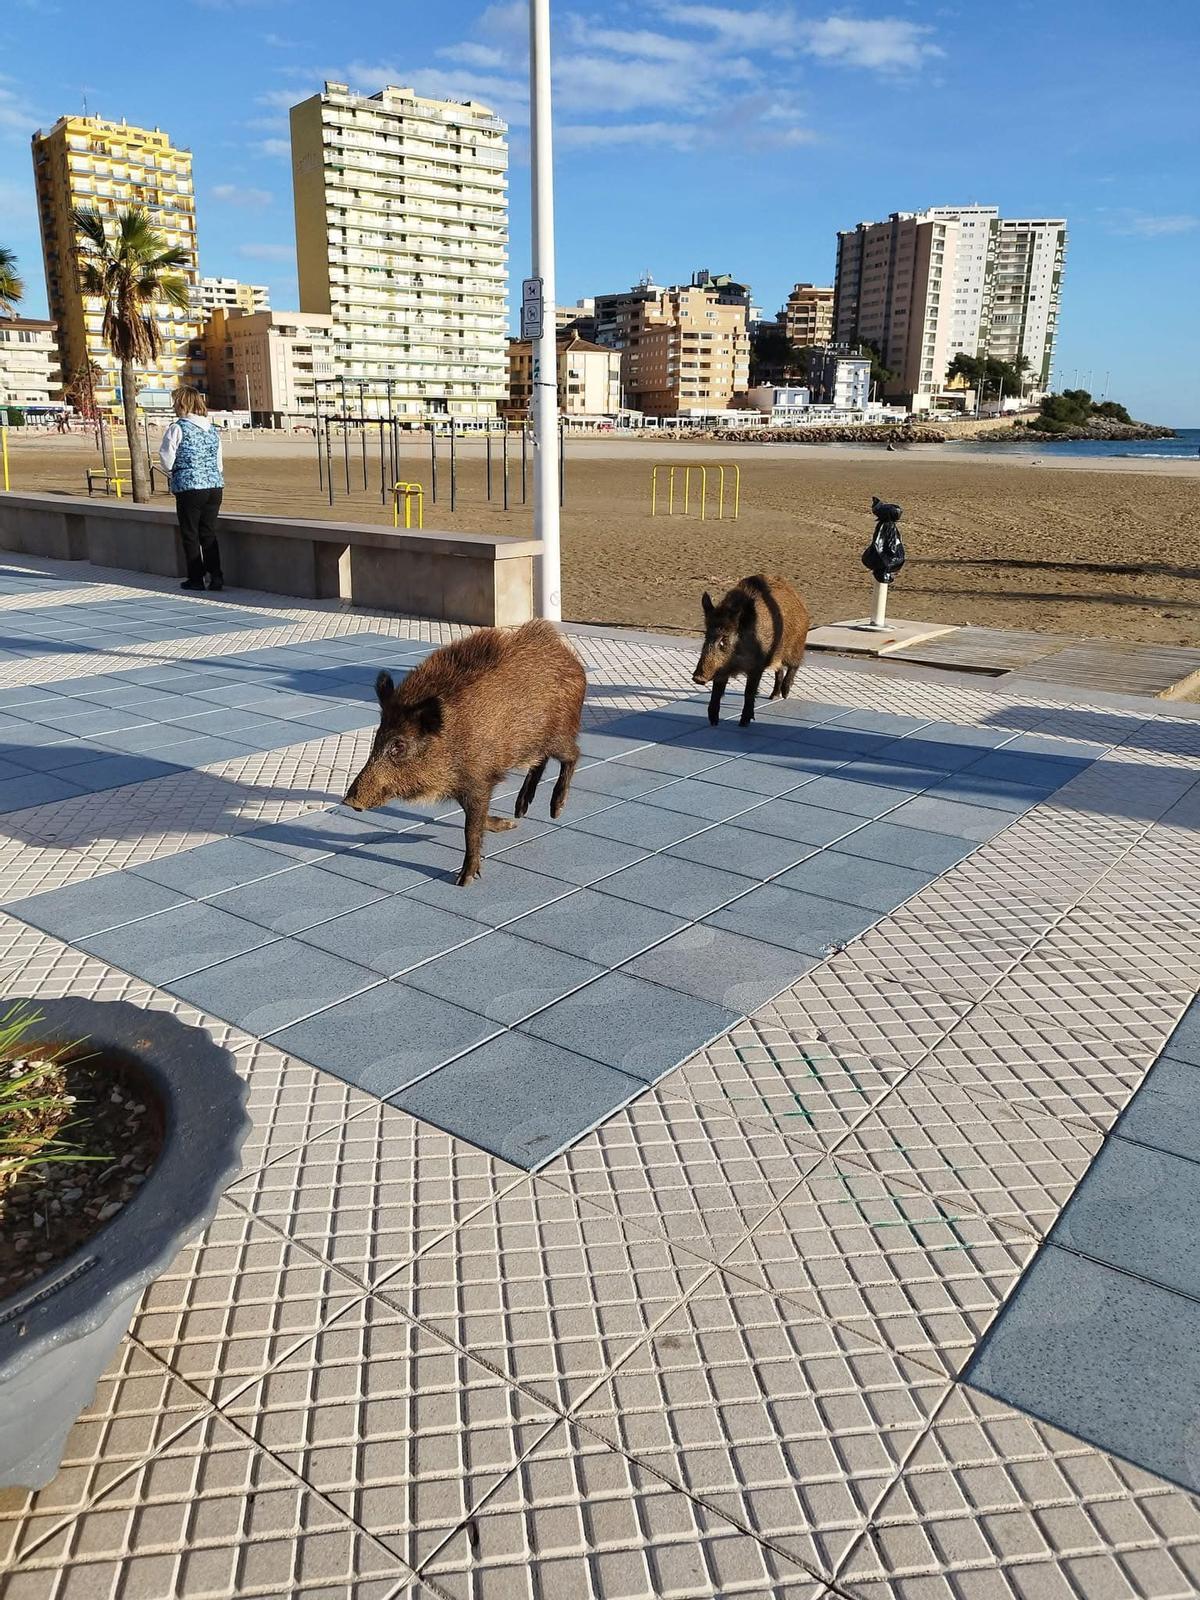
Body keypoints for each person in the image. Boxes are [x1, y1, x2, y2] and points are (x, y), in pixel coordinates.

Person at [159, 386, 224, 592]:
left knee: (190, 533)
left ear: (181, 404)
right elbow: (219, 462)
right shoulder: (212, 429)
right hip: (214, 486)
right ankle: (216, 576)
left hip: (189, 486)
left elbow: (167, 459)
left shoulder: (178, 428)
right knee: (208, 533)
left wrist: (176, 471)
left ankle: (195, 578)